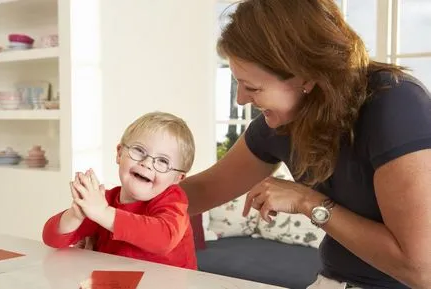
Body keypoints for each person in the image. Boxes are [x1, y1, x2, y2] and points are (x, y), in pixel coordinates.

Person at [181, 0, 431, 288]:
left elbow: (421, 270)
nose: (241, 100)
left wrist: (307, 201)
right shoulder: (284, 122)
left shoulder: (395, 105)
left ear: (306, 77)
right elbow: (202, 190)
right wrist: (121, 201)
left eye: (252, 87)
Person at [43, 111, 197, 270]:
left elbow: (164, 239)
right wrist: (75, 215)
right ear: (119, 153)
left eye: (163, 161)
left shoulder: (174, 200)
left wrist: (103, 212)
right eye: (139, 150)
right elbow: (51, 238)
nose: (147, 163)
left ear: (178, 178)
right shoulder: (105, 201)